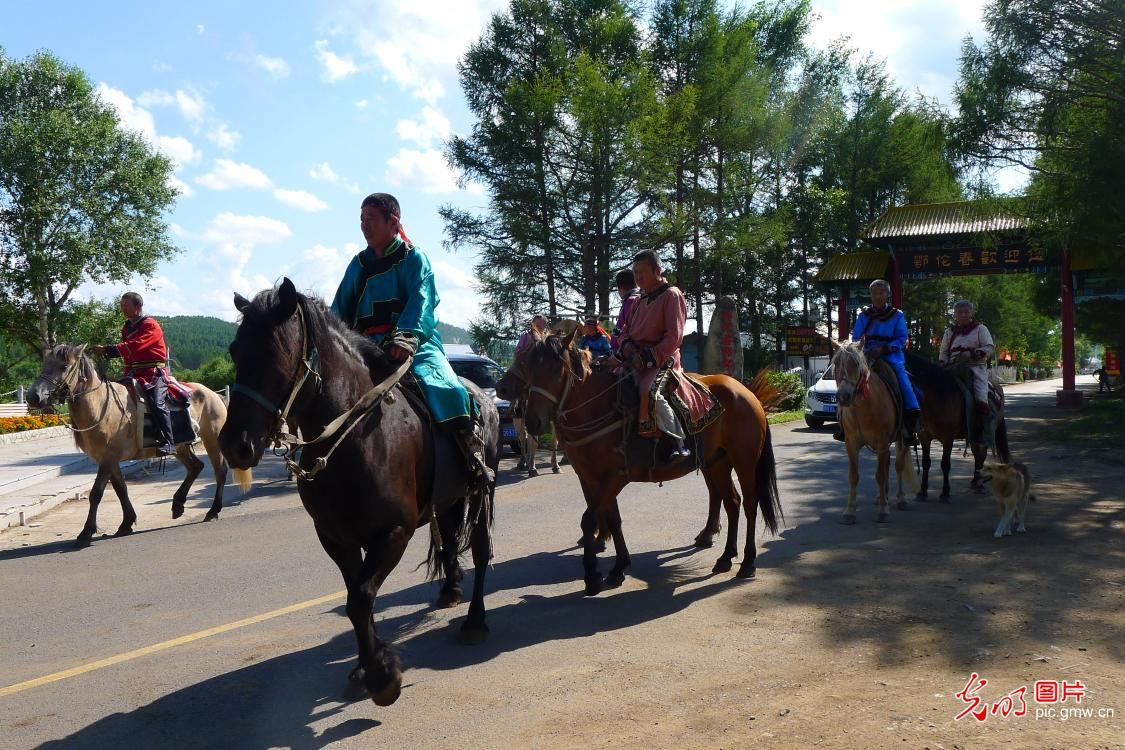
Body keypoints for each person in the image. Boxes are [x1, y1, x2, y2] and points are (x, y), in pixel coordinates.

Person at [331, 192, 494, 487]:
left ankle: (470, 455)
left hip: (414, 344)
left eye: (370, 220)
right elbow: (339, 311)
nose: (364, 226)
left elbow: (422, 302)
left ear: (393, 222)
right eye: (361, 220)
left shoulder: (413, 259)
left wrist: (405, 338)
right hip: (364, 346)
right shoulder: (358, 265)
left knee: (447, 388)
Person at [614, 250, 701, 460]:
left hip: (664, 358)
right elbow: (625, 330)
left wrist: (646, 357)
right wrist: (627, 347)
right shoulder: (639, 300)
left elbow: (673, 337)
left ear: (658, 270)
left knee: (648, 390)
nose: (638, 277)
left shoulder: (672, 295)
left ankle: (678, 443)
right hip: (635, 357)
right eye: (635, 272)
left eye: (642, 272)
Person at [835, 279, 921, 444]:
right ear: (871, 296)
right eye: (874, 293)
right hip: (867, 354)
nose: (878, 296)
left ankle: (911, 420)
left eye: (881, 293)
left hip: (890, 355)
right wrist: (864, 348)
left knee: (903, 379)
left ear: (887, 295)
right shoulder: (864, 316)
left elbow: (902, 338)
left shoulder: (897, 315)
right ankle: (843, 422)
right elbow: (856, 337)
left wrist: (884, 348)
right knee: (848, 377)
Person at [94, 292, 176, 455]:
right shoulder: (127, 327)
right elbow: (129, 355)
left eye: (126, 305)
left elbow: (136, 345)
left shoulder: (150, 324)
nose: (123, 308)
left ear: (138, 308)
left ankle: (169, 441)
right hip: (135, 371)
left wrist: (108, 350)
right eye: (121, 305)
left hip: (154, 372)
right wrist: (125, 375)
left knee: (156, 401)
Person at [939, 300, 995, 443]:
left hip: (974, 367)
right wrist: (944, 363)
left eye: (966, 312)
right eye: (959, 312)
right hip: (951, 368)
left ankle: (984, 431)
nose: (963, 315)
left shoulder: (980, 329)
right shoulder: (949, 332)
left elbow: (989, 347)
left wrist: (972, 353)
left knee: (980, 395)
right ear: (955, 314)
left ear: (971, 313)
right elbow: (944, 351)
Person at [610, 268, 641, 350]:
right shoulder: (639, 298)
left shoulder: (631, 301)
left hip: (626, 354)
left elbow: (624, 328)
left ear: (619, 287)